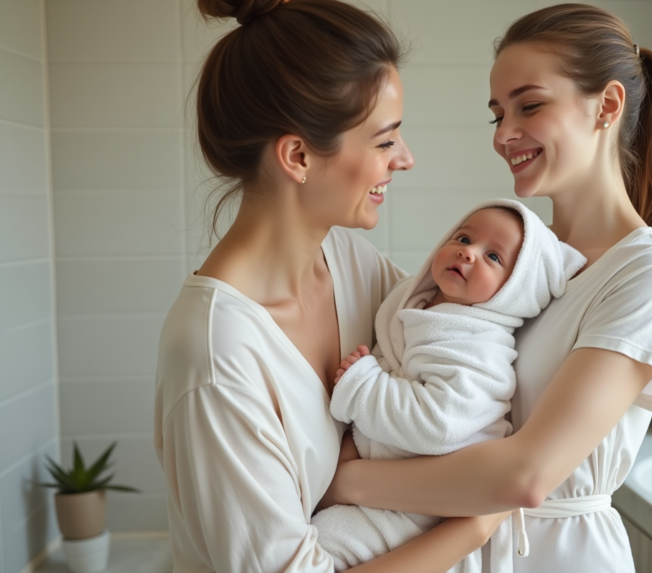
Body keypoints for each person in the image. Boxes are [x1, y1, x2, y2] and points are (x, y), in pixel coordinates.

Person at [323, 4, 652, 572]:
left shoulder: (648, 275)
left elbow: (526, 476)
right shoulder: (518, 269)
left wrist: (343, 481)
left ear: (608, 106)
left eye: (531, 105)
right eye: (497, 114)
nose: (505, 134)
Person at [152, 1, 510, 572]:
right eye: (384, 140)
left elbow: (471, 336)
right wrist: (477, 522)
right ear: (297, 156)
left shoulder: (349, 263)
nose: (406, 159)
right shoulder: (216, 357)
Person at [312, 200, 585, 572]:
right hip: (386, 490)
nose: (468, 252)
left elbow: (439, 423)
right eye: (464, 237)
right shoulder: (420, 304)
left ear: (515, 291)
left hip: (424, 511)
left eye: (493, 256)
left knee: (321, 545)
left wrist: (364, 386)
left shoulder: (479, 346)